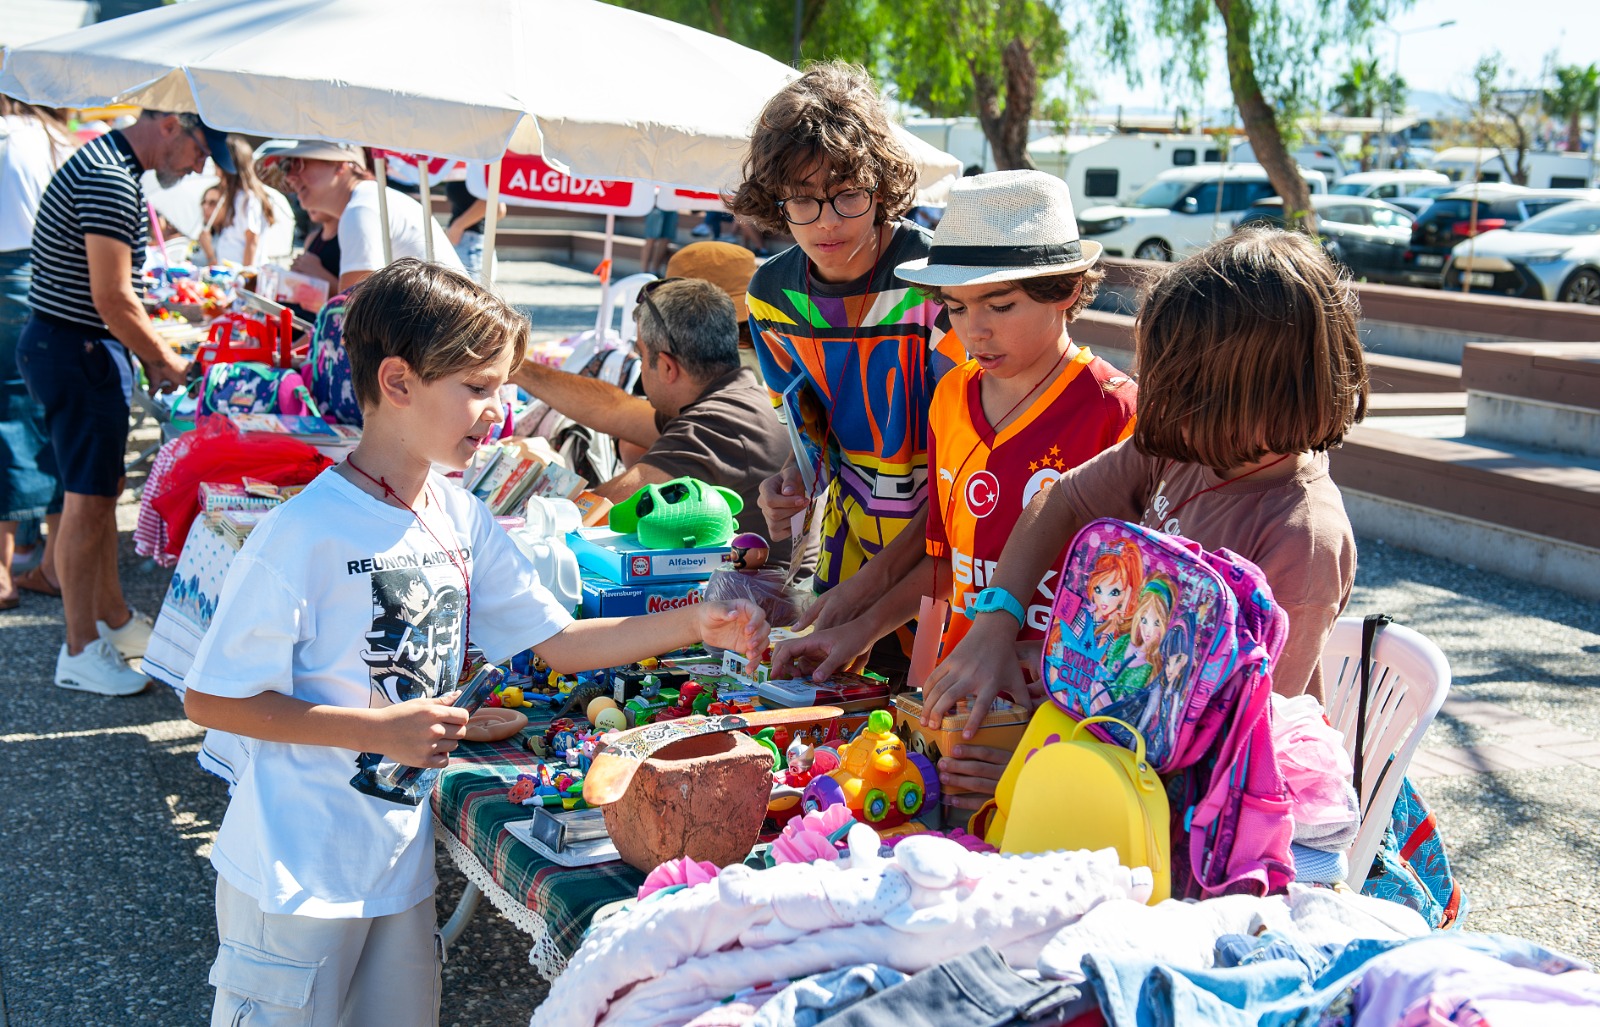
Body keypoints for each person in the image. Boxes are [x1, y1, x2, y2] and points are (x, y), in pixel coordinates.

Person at [183, 258, 767, 1027]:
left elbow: (556, 642)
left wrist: (697, 621)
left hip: (396, 865)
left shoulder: (456, 514)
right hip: (296, 874)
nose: (498, 408)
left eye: (499, 386)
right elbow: (212, 697)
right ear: (397, 382)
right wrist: (378, 730)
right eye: (478, 386)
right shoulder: (303, 532)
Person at [924, 227, 1366, 802]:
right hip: (1111, 752)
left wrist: (1036, 767)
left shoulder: (1301, 539)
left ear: (1263, 390)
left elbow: (1232, 755)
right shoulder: (1183, 445)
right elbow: (1060, 502)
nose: (1155, 403)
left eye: (1182, 388)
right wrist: (997, 624)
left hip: (1192, 811)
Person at [769, 171, 1135, 691]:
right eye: (957, 307)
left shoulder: (1116, 411)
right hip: (950, 687)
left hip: (1061, 701)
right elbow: (946, 564)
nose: (974, 330)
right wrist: (860, 629)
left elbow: (1132, 602)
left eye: (1000, 305)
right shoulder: (952, 395)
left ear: (1066, 290)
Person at [726, 61, 965, 666]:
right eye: (803, 200)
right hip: (846, 550)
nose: (826, 220)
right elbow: (809, 422)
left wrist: (878, 582)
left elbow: (967, 460)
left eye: (846, 195)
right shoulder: (770, 297)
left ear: (881, 187)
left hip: (948, 558)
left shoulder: (938, 282)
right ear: (777, 204)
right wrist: (791, 477)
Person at [17, 108, 227, 695]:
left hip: (70, 348)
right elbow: (113, 299)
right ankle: (80, 649)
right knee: (86, 504)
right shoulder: (111, 178)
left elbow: (113, 298)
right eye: (201, 152)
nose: (197, 168)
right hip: (76, 350)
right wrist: (165, 361)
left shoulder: (110, 167)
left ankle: (110, 618)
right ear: (172, 126)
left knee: (99, 494)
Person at [511, 276, 791, 561]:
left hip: (763, 600)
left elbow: (603, 511)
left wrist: (517, 518)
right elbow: (615, 409)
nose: (640, 367)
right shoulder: (740, 398)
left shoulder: (715, 424)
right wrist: (514, 365)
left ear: (668, 367)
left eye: (641, 356)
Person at [0, 97, 70, 609]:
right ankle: (53, 564)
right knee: (51, 417)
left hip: (20, 276)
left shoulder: (19, 135)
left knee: (11, 419)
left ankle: (6, 570)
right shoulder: (49, 139)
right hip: (46, 277)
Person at [266, 141, 462, 292]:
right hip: (438, 333)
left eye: (298, 164)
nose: (289, 177)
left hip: (436, 336)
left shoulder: (361, 207)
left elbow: (349, 312)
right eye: (286, 167)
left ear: (341, 165)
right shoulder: (368, 200)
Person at [197, 136, 281, 267]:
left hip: (240, 277)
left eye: (218, 167)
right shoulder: (234, 197)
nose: (216, 172)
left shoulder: (247, 198)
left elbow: (252, 240)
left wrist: (245, 276)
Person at [443, 174, 504, 281]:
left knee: (474, 293)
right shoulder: (468, 166)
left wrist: (458, 226)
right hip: (470, 243)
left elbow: (496, 205)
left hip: (471, 245)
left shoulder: (477, 165)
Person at [641, 200, 678, 276]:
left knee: (665, 238)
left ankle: (655, 270)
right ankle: (643, 271)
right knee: (651, 238)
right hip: (656, 202)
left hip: (672, 205)